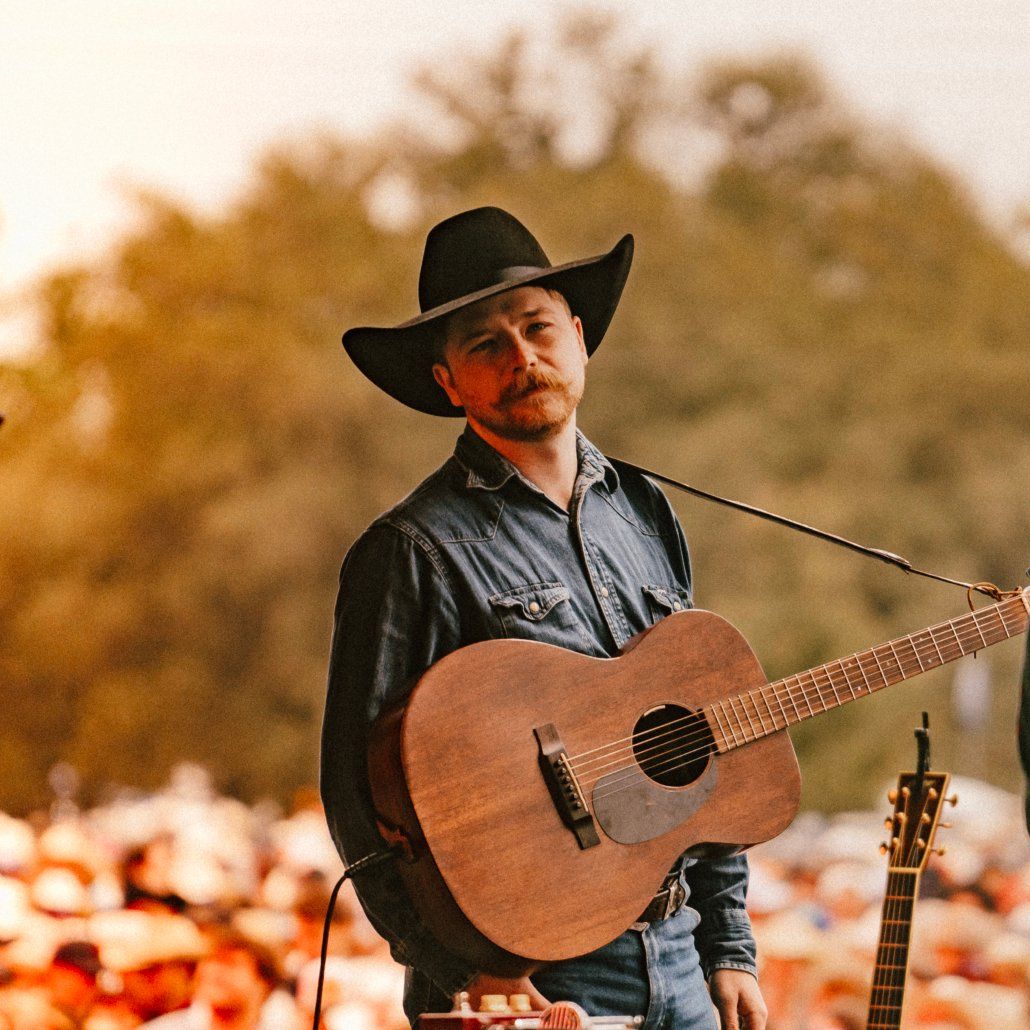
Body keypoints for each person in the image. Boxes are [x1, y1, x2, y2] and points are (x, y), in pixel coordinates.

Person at [321, 207, 768, 1029]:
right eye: (485, 345)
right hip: (531, 979)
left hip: (681, 963)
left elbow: (698, 738)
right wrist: (467, 973)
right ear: (448, 382)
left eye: (537, 328)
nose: (522, 358)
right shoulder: (411, 550)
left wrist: (728, 946)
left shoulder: (644, 512)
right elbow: (357, 798)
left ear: (579, 339)